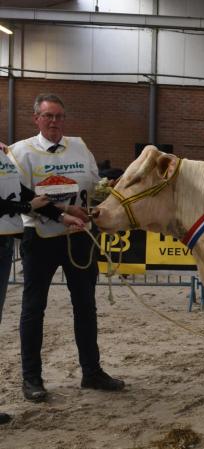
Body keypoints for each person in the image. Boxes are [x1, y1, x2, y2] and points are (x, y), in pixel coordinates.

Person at [8, 94, 125, 403]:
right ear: (36, 119)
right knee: (34, 309)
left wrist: (99, 201)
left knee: (86, 305)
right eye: (48, 116)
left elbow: (92, 183)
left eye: (59, 116)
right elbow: (20, 196)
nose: (54, 122)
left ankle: (92, 371)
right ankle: (32, 378)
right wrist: (60, 215)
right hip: (41, 238)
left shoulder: (79, 146)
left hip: (79, 238)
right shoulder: (21, 152)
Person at [0, 144, 53, 422]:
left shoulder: (2, 154)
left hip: (5, 240)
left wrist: (59, 213)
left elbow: (19, 191)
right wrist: (26, 208)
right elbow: (21, 201)